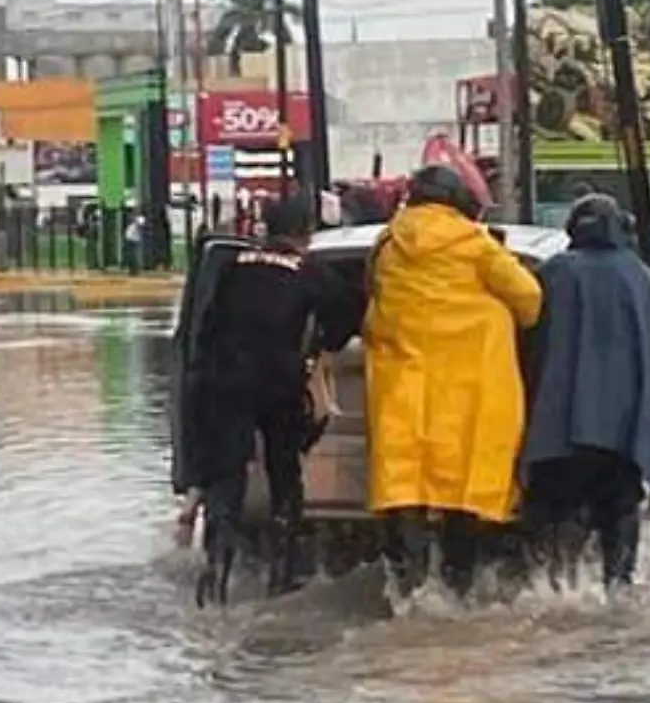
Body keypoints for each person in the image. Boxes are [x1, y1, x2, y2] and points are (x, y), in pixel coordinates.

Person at [362, 164, 544, 598]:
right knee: (464, 492)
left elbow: (370, 301)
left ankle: (406, 589)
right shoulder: (475, 244)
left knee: (404, 487)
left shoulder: (387, 244)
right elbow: (531, 300)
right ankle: (457, 589)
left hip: (403, 389)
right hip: (468, 394)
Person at [182, 197, 350, 607]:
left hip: (222, 381)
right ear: (306, 231)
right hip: (277, 381)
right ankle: (282, 572)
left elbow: (204, 326)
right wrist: (319, 348)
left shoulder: (230, 265)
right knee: (283, 471)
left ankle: (216, 573)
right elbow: (345, 322)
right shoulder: (310, 271)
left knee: (226, 479)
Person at [518, 193, 650, 590]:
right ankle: (618, 590)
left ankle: (552, 589)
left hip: (557, 433)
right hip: (624, 436)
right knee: (620, 513)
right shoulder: (639, 277)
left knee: (553, 518)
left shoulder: (555, 272)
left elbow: (526, 342)